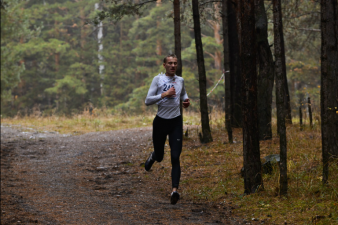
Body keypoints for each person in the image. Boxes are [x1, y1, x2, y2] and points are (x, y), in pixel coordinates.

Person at [144, 53, 190, 205]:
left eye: (175, 63)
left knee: (175, 157)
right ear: (164, 65)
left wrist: (185, 101)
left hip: (175, 122)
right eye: (170, 63)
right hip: (160, 123)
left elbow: (183, 94)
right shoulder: (158, 79)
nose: (172, 66)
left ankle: (174, 191)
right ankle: (153, 156)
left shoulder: (180, 80)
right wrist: (164, 94)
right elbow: (147, 101)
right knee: (160, 156)